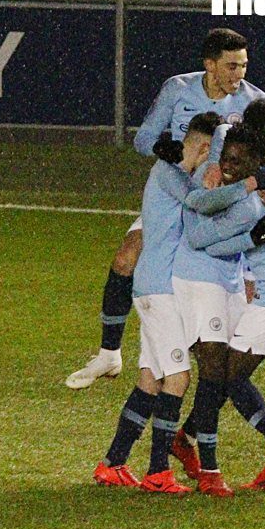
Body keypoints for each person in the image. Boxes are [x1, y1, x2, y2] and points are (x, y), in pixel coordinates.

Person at [66, 28, 265, 390]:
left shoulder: (254, 103)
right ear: (210, 65)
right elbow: (143, 139)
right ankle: (109, 354)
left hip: (219, 205)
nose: (240, 74)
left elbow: (264, 155)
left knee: (230, 288)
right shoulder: (178, 89)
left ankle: (239, 368)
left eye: (244, 66)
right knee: (127, 257)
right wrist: (171, 152)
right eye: (232, 66)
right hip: (176, 194)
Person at [92, 112, 224, 493]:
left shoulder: (173, 173)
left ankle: (113, 463)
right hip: (157, 291)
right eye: (213, 153)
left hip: (157, 288)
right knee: (179, 377)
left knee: (151, 378)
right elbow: (203, 204)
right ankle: (157, 472)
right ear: (202, 148)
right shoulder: (170, 176)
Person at [187, 124, 265, 491]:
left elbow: (201, 239)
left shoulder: (249, 202)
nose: (228, 166)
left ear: (256, 164)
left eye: (238, 162)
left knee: (229, 376)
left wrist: (247, 236)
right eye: (225, 159)